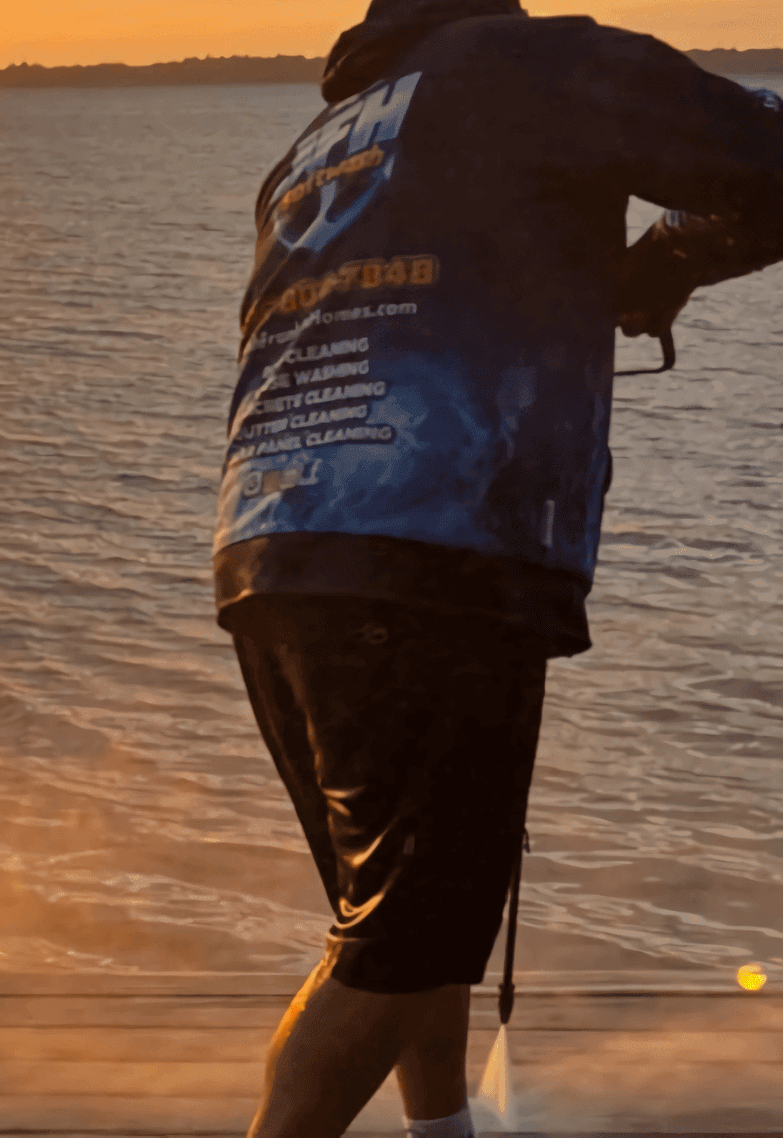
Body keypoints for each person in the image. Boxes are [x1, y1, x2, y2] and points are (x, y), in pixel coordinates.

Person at [212, 2, 783, 1136]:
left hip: (272, 545)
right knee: (407, 924)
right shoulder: (536, 63)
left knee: (410, 903)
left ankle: (442, 1128)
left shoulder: (318, 146)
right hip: (430, 543)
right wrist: (664, 261)